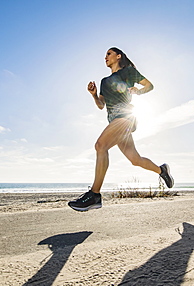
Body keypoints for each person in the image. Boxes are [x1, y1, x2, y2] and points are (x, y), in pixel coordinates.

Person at [68, 47, 174, 211]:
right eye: (105, 55)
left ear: (119, 56)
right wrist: (94, 95)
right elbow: (101, 105)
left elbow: (149, 85)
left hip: (125, 118)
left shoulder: (128, 72)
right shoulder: (104, 81)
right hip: (115, 121)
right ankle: (162, 170)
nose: (105, 57)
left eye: (109, 54)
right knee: (135, 160)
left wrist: (138, 90)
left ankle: (94, 194)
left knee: (100, 146)